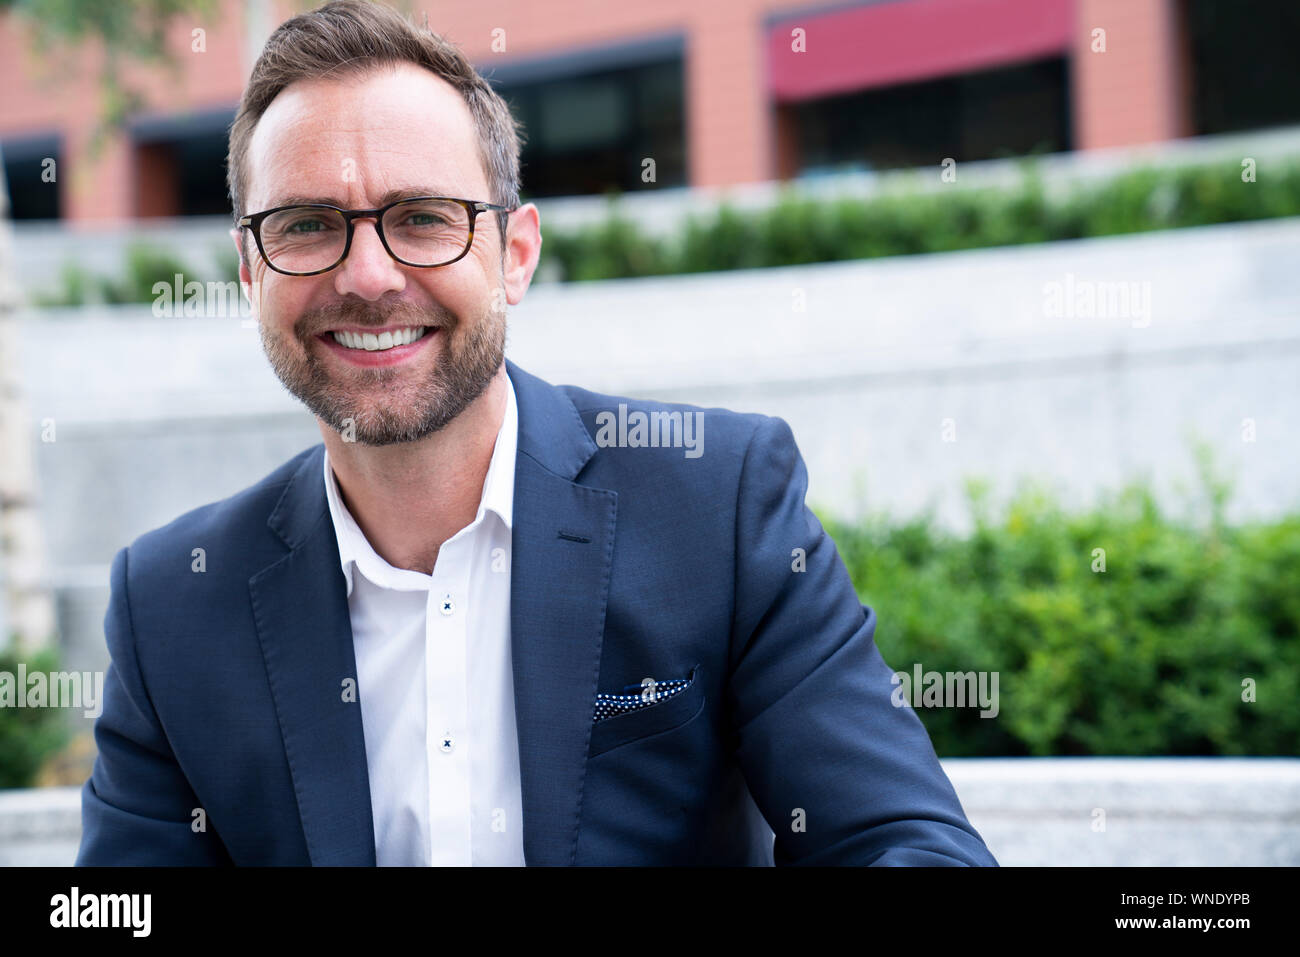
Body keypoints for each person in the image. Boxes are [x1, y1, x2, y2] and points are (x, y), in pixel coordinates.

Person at [77, 0, 997, 866]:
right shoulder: (170, 606)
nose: (366, 275)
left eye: (422, 218)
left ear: (515, 255)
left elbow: (908, 843)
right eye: (308, 225)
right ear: (249, 271)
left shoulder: (718, 506)